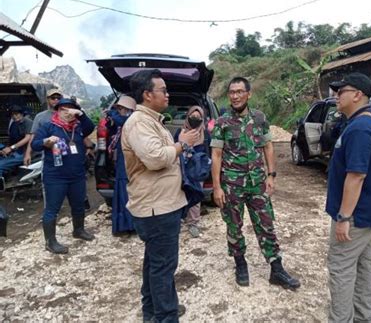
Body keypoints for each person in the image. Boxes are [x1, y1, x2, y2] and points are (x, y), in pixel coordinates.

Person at [121, 69, 199, 322]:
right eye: (162, 90)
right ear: (147, 94)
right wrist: (183, 143)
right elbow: (155, 159)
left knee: (155, 264)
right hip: (157, 209)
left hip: (162, 206)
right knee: (163, 268)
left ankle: (152, 312)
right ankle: (166, 316)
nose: (167, 94)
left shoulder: (152, 121)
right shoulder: (139, 123)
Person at [211, 76, 300, 290]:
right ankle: (240, 263)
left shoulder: (260, 118)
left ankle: (276, 269)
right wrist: (217, 187)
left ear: (248, 94)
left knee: (266, 224)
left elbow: (268, 147)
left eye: (240, 91)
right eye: (232, 92)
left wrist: (272, 175)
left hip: (258, 183)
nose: (235, 96)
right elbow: (216, 154)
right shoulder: (222, 122)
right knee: (234, 226)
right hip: (232, 185)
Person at [325, 72, 371, 322]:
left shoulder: (360, 128)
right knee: (364, 266)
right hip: (368, 213)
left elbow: (356, 176)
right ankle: (363, 318)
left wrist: (344, 217)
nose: (335, 96)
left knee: (341, 267)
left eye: (340, 91)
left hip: (356, 215)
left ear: (357, 95)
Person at [31, 98, 96, 254]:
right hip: (55, 176)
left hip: (77, 175)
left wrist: (80, 114)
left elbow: (90, 126)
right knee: (52, 209)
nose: (68, 113)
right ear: (58, 111)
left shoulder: (79, 127)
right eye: (64, 109)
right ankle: (50, 242)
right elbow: (35, 144)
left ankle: (78, 230)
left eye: (71, 109)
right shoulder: (48, 126)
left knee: (79, 204)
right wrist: (46, 141)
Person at [174, 106, 210, 238]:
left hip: (197, 170)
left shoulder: (205, 134)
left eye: (198, 117)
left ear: (202, 119)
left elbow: (209, 151)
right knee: (178, 194)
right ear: (188, 116)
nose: (195, 119)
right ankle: (176, 220)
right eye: (192, 116)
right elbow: (173, 148)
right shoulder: (180, 132)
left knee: (196, 194)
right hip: (181, 168)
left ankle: (193, 223)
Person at [107, 95, 136, 235]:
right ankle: (124, 225)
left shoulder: (131, 120)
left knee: (127, 193)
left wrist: (111, 113)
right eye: (118, 108)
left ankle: (129, 225)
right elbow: (111, 127)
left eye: (121, 108)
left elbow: (120, 120)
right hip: (122, 162)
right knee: (123, 193)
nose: (119, 110)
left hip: (128, 162)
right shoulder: (120, 122)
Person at [24, 88, 63, 166]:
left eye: (58, 98)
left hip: (66, 153)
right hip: (46, 154)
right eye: (53, 98)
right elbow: (33, 135)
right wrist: (28, 154)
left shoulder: (67, 114)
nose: (56, 100)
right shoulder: (40, 116)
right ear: (47, 99)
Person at [0, 105, 33, 180]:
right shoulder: (13, 124)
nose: (14, 116)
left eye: (17, 114)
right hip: (14, 152)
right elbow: (11, 140)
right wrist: (5, 149)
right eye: (12, 115)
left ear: (21, 114)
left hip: (24, 153)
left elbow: (28, 138)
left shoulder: (28, 122)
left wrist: (11, 148)